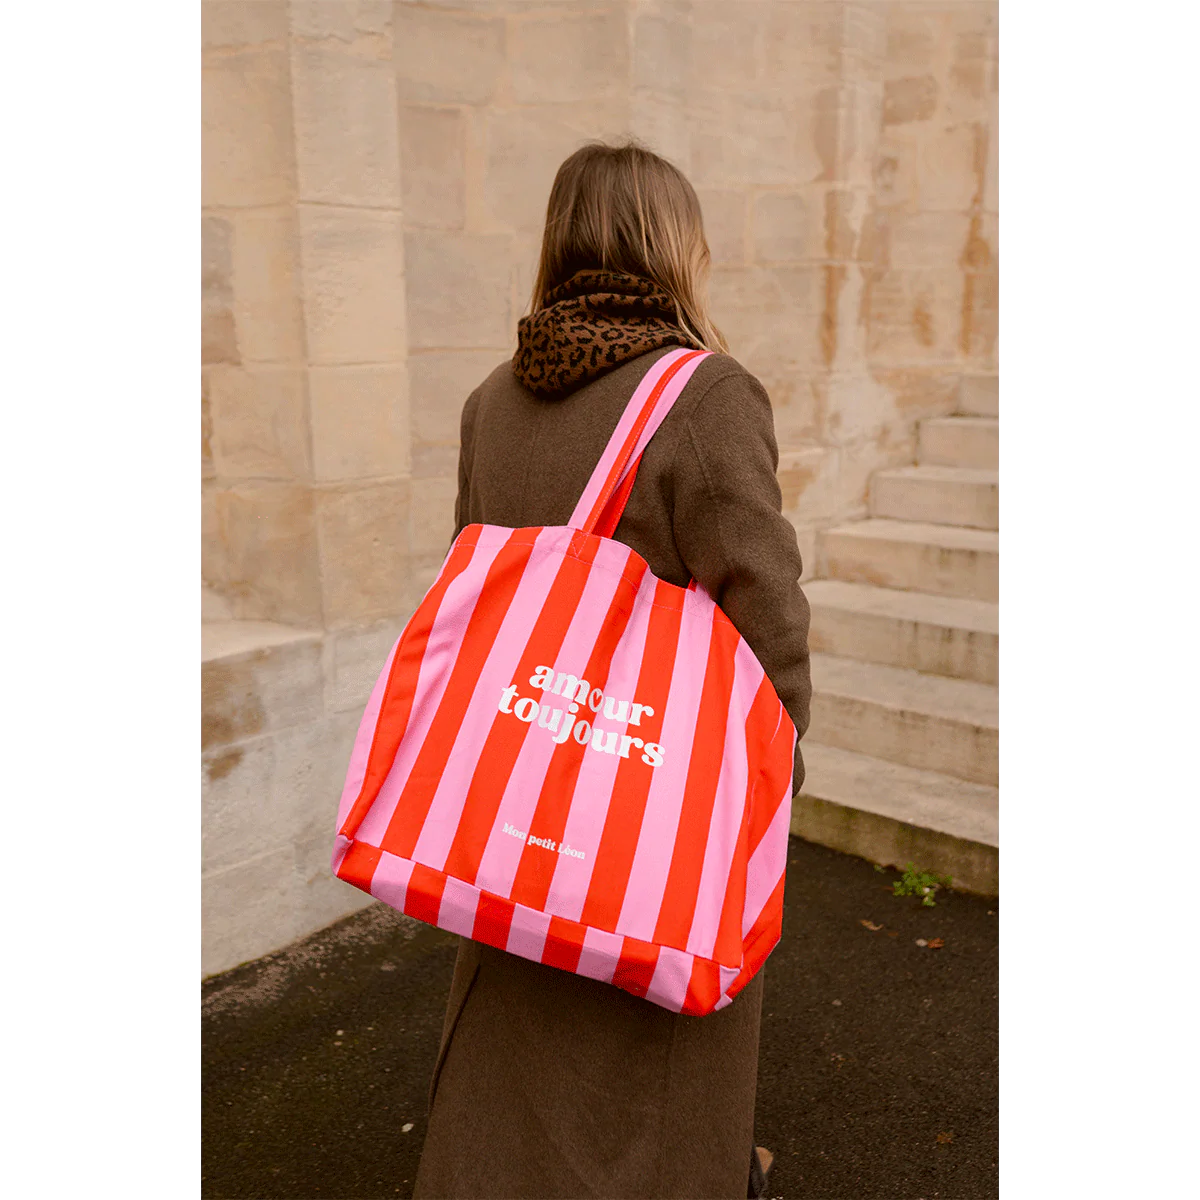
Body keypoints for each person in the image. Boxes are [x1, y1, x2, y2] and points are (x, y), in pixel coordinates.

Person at [412, 139, 811, 1200]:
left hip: (522, 778)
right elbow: (765, 610)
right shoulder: (707, 395)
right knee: (661, 1027)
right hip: (654, 791)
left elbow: (476, 586)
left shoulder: (491, 401)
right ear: (676, 248)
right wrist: (776, 772)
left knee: (518, 1002)